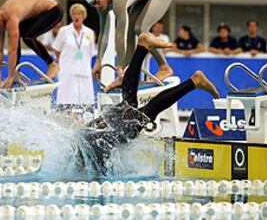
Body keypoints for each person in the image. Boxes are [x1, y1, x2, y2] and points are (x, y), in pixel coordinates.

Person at [75, 33, 219, 176]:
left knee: (149, 110)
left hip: (114, 130)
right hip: (102, 124)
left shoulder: (89, 164)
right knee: (129, 100)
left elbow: (105, 170)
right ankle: (142, 47)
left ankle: (193, 82)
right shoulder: (80, 151)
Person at [84, 0, 175, 91]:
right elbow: (104, 34)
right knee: (132, 30)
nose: (97, 6)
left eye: (97, 1)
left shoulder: (118, 0)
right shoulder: (101, 5)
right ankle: (125, 75)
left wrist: (120, 66)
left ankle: (164, 67)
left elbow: (121, 35)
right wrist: (99, 60)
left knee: (140, 29)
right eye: (92, 4)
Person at [0, 0, 62, 88]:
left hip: (53, 10)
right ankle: (16, 74)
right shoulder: (0, 21)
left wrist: (10, 76)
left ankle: (52, 65)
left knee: (28, 36)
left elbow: (12, 50)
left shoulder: (11, 17)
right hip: (36, 14)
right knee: (22, 35)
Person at [53, 4, 95, 105]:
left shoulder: (89, 32)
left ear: (83, 16)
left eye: (79, 14)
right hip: (68, 71)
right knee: (66, 101)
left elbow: (90, 52)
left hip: (84, 71)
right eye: (74, 14)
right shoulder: (64, 31)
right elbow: (57, 50)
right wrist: (65, 62)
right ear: (71, 16)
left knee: (85, 102)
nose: (77, 16)